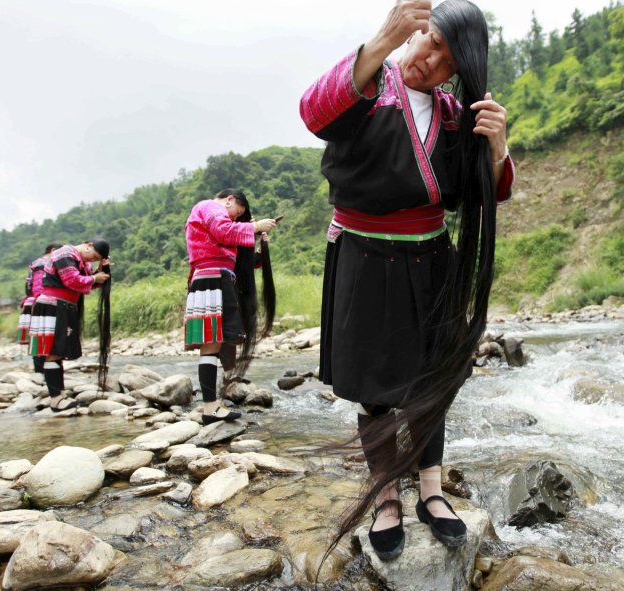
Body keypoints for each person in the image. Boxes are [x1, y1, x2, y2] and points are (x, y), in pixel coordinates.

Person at [299, 0, 515, 561]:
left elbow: (477, 197)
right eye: (429, 40)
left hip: (430, 258)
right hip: (363, 256)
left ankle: (432, 491)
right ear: (415, 31)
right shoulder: (369, 84)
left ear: (460, 69)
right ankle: (386, 497)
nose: (428, 59)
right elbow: (312, 113)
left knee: (431, 380)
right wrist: (382, 39)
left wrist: (497, 149)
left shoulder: (454, 113)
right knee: (374, 387)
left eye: (446, 57)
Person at [184, 189, 278, 424]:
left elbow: (233, 247)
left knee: (210, 346)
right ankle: (210, 407)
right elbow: (224, 231)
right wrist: (255, 227)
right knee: (211, 345)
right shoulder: (210, 206)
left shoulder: (209, 213)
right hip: (214, 279)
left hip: (209, 279)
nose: (235, 219)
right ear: (228, 200)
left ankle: (210, 407)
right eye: (237, 213)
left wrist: (256, 241)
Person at [27, 239, 111, 410]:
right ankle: (56, 399)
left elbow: (85, 284)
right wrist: (95, 277)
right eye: (93, 256)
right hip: (54, 306)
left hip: (63, 306)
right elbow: (72, 280)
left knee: (58, 351)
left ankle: (59, 395)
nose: (91, 260)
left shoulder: (80, 261)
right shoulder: (65, 254)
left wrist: (98, 273)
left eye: (95, 260)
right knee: (53, 351)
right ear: (88, 245)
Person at [18, 243, 62, 373]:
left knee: (37, 337)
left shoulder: (34, 263)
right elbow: (39, 286)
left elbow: (29, 286)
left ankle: (40, 371)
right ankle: (44, 371)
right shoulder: (45, 263)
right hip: (41, 302)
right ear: (53, 251)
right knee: (45, 336)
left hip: (32, 301)